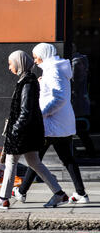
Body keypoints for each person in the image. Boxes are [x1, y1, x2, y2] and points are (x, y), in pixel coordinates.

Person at [0, 50, 69, 210]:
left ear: (19, 63)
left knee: (11, 162)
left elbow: (26, 111)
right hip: (28, 131)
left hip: (23, 132)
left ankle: (3, 199)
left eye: (11, 64)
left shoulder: (27, 83)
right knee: (34, 163)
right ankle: (59, 194)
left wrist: (14, 131)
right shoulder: (26, 80)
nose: (9, 68)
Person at [12, 43, 90, 204]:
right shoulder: (54, 69)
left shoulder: (53, 70)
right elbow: (55, 93)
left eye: (36, 57)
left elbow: (59, 98)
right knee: (65, 158)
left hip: (51, 123)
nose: (34, 61)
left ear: (44, 54)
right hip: (60, 123)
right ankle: (81, 193)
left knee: (35, 159)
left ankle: (22, 191)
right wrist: (42, 83)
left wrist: (41, 114)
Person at [71, 45, 96, 158]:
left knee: (79, 129)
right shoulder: (80, 61)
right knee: (79, 129)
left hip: (76, 101)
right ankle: (89, 151)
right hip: (79, 100)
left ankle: (90, 152)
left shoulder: (75, 63)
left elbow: (74, 82)